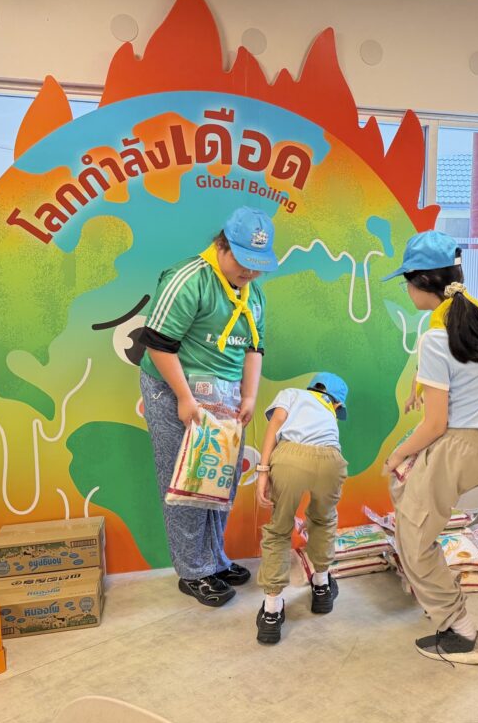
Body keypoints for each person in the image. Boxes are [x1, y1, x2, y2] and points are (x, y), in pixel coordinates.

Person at [382, 230, 478, 665]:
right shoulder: (474, 313)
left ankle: (462, 632)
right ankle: (441, 603)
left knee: (413, 539)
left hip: (460, 446)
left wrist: (399, 454)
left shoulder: (436, 337)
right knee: (411, 506)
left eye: (407, 281)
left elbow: (435, 424)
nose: (406, 290)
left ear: (423, 281)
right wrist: (419, 387)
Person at [139, 206, 277, 607]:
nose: (250, 271)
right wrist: (185, 398)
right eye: (244, 261)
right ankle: (193, 571)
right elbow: (158, 343)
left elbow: (254, 347)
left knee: (218, 479)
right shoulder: (189, 279)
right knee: (186, 480)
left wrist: (248, 396)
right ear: (222, 245)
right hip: (175, 388)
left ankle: (214, 559)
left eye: (258, 264)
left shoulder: (253, 294)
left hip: (226, 394)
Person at [254, 373, 349, 645]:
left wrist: (263, 471)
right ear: (337, 404)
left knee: (278, 530)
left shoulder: (292, 393)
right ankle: (321, 588)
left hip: (290, 456)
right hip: (331, 460)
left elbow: (276, 423)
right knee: (323, 521)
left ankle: (272, 611)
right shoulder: (329, 409)